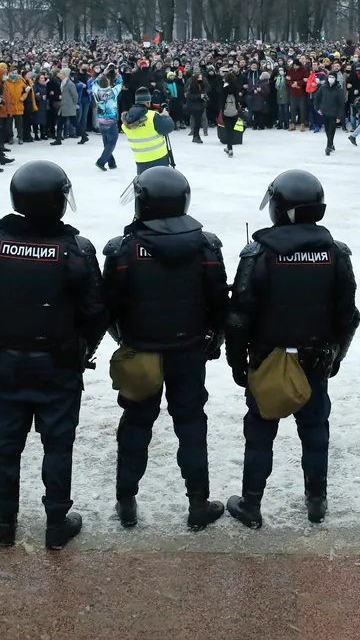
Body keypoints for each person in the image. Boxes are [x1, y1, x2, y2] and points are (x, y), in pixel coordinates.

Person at [0, 162, 107, 549]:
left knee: (5, 444)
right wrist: (82, 349)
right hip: (58, 363)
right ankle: (56, 521)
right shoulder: (75, 250)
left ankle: (5, 519)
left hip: (6, 361)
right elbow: (95, 312)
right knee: (58, 444)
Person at [224, 170, 360, 528]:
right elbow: (348, 315)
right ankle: (317, 500)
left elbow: (238, 317)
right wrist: (337, 355)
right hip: (314, 358)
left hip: (268, 358)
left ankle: (251, 503)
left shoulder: (257, 254)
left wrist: (238, 363)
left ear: (279, 208)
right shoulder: (336, 253)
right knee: (315, 429)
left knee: (260, 431)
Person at [102, 167, 230, 529]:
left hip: (141, 352)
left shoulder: (124, 249)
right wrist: (212, 340)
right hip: (188, 351)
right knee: (191, 425)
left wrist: (124, 341)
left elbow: (108, 306)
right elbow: (220, 303)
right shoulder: (206, 245)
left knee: (135, 424)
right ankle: (198, 503)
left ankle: (126, 501)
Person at [121, 89, 175, 174]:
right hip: (159, 159)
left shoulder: (127, 120)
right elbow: (169, 126)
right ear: (147, 102)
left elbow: (143, 125)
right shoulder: (153, 116)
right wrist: (165, 116)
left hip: (140, 161)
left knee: (145, 185)